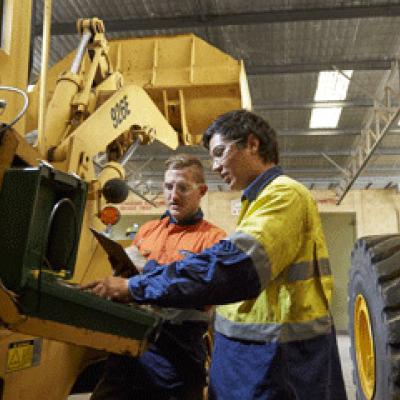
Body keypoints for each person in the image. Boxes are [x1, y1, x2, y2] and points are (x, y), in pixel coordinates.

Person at [86, 110, 348, 399]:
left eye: (220, 152)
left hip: (276, 363)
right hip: (250, 362)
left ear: (252, 144)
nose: (216, 165)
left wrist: (135, 286)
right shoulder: (256, 202)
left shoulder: (285, 195)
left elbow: (234, 269)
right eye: (169, 187)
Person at [90, 154, 226, 400]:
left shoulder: (214, 239)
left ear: (202, 191)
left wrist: (146, 272)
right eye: (168, 186)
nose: (173, 196)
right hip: (130, 343)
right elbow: (130, 275)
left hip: (177, 353)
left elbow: (199, 291)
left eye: (183, 188)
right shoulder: (148, 230)